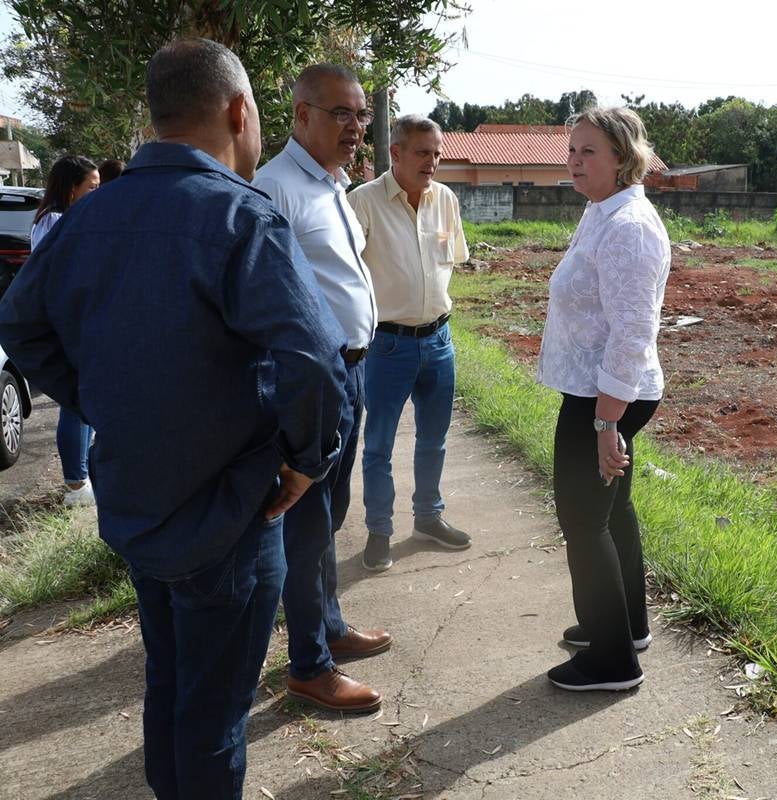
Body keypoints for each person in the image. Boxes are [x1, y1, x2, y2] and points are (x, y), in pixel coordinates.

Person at [0, 38, 348, 800]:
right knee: (214, 716)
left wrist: (103, 401)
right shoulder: (239, 216)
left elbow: (20, 325)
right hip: (229, 513)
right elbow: (317, 362)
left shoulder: (89, 217)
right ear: (238, 111)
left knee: (171, 690)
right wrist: (305, 460)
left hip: (139, 505)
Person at [252, 64, 388, 713]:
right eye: (341, 114)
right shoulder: (275, 188)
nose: (356, 128)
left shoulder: (331, 184)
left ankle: (330, 624)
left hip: (349, 374)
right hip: (310, 386)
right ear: (301, 115)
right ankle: (308, 664)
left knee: (330, 516)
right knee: (306, 525)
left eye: (361, 115)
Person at [536, 107, 671, 691]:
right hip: (598, 390)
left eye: (588, 151)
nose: (574, 161)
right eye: (572, 150)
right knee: (611, 511)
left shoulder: (627, 228)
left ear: (622, 158)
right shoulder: (602, 212)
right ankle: (622, 626)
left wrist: (605, 424)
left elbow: (633, 332)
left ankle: (612, 661)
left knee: (582, 518)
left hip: (606, 396)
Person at [347, 114, 470, 571]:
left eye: (437, 153)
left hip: (439, 340)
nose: (433, 162)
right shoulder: (362, 204)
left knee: (433, 440)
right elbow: (345, 275)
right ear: (396, 152)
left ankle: (428, 519)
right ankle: (379, 531)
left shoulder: (446, 201)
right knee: (378, 444)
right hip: (387, 346)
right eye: (423, 152)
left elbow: (450, 258)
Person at [30, 155, 100, 507]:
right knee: (75, 404)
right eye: (91, 187)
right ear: (71, 189)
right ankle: (76, 484)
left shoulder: (58, 219)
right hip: (69, 323)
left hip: (73, 322)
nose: (96, 194)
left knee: (83, 401)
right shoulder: (57, 221)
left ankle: (80, 479)